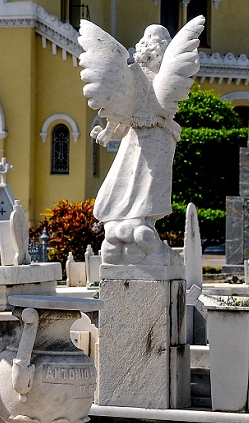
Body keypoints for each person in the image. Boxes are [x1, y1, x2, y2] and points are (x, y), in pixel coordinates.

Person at [78, 16, 204, 265]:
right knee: (142, 181)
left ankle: (132, 225)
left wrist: (108, 131)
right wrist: (109, 131)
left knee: (135, 180)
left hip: (142, 137)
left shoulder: (132, 73)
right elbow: (132, 113)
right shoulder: (149, 74)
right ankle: (136, 225)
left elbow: (120, 112)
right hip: (152, 138)